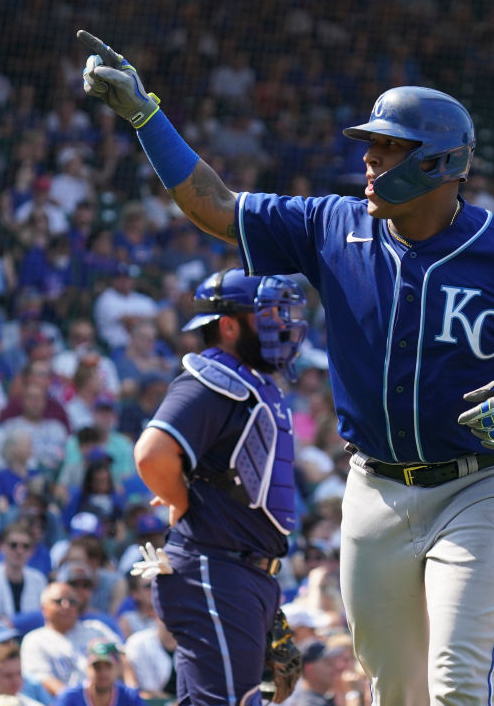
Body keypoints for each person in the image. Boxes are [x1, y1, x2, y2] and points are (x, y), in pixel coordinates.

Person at [81, 32, 494, 706]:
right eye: (373, 142)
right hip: (373, 489)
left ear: (441, 163)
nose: (369, 156)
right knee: (394, 689)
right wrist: (147, 118)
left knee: (457, 681)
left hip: (482, 486)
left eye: (391, 146)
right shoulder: (332, 225)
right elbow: (215, 208)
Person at [131, 268, 307, 705]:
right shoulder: (211, 379)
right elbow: (151, 453)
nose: (282, 326)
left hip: (234, 573)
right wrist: (178, 498)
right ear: (229, 325)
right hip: (215, 569)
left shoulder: (249, 383)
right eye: (268, 316)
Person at [52, 640, 145, 706]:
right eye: (97, 667)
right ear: (88, 668)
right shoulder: (70, 696)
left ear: (117, 668)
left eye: (108, 666)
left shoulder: (129, 696)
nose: (103, 673)